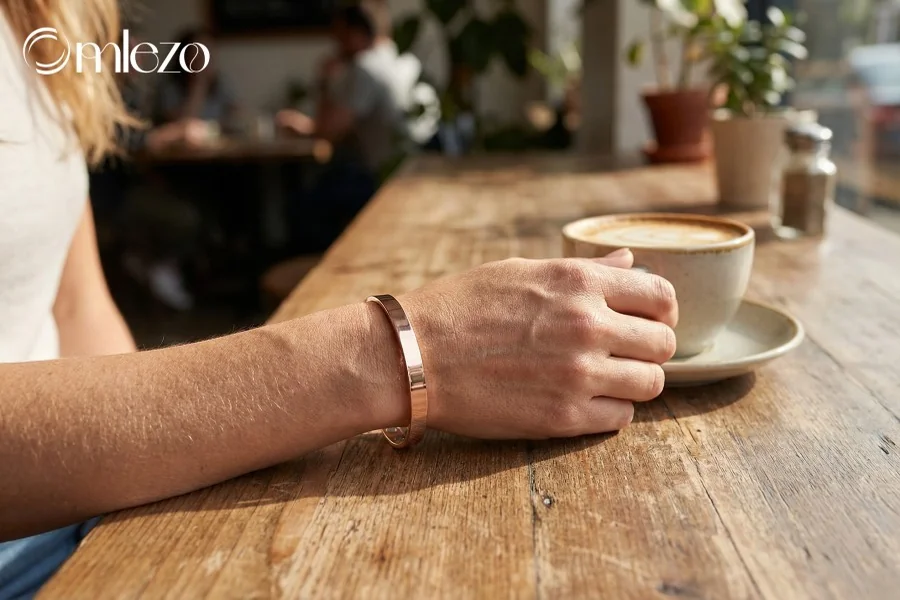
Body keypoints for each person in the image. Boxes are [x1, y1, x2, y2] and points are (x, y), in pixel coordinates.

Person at [0, 0, 678, 596]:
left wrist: (126, 502)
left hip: (100, 516)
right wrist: (408, 352)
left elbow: (75, 308)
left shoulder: (48, 22)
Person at [277, 1, 429, 252]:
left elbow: (330, 132)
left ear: (357, 34)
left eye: (340, 36)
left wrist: (325, 81)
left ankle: (322, 267)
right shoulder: (403, 59)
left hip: (384, 179)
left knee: (302, 206)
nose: (336, 45)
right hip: (416, 171)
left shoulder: (365, 68)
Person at [153, 28, 240, 126]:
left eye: (210, 52)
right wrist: (199, 83)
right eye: (199, 53)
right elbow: (183, 123)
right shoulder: (169, 86)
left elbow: (236, 115)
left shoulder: (220, 82)